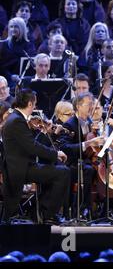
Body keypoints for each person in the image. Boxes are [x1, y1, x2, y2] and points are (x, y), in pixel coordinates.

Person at [1, 88, 70, 224]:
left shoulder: (16, 118)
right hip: (21, 169)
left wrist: (44, 132)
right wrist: (56, 153)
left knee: (56, 171)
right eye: (35, 104)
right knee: (63, 173)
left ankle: (41, 210)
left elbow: (29, 143)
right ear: (31, 104)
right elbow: (32, 147)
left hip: (22, 166)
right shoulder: (17, 121)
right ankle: (47, 214)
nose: (35, 107)